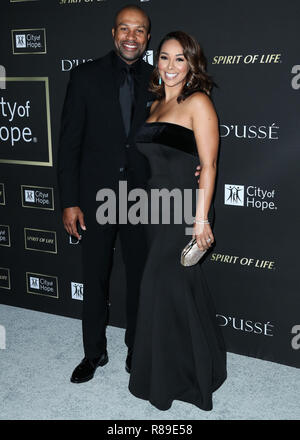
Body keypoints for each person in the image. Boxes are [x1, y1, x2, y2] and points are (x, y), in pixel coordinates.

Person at [128, 31, 227, 411]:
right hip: (153, 210)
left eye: (179, 59)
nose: (170, 67)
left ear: (191, 64)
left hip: (185, 210)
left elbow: (210, 164)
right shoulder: (154, 105)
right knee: (177, 293)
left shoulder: (197, 102)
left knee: (160, 288)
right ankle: (198, 366)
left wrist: (201, 220)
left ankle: (180, 378)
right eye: (164, 58)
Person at [57, 5, 154, 383]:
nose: (131, 37)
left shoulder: (159, 78)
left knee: (139, 280)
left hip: (141, 199)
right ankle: (94, 353)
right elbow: (68, 146)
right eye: (125, 29)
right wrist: (69, 201)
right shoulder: (84, 77)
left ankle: (137, 348)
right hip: (94, 198)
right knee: (94, 277)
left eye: (140, 31)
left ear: (147, 37)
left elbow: (171, 134)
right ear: (114, 33)